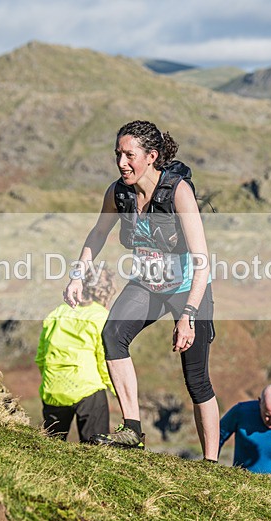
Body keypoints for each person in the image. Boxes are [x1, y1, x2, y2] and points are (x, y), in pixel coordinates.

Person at [63, 120, 219, 459]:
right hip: (148, 283)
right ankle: (132, 429)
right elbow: (98, 233)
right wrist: (78, 274)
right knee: (112, 335)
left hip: (189, 286)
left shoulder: (178, 192)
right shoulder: (118, 192)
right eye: (118, 154)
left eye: (129, 155)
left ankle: (211, 463)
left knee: (196, 379)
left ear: (151, 156)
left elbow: (202, 260)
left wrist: (188, 316)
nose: (122, 163)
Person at [37, 268, 117, 442]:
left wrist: (50, 378)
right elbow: (104, 359)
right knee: (96, 449)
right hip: (88, 388)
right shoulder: (101, 316)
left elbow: (41, 356)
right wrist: (115, 388)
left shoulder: (57, 313)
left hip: (53, 388)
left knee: (50, 446)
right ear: (108, 291)